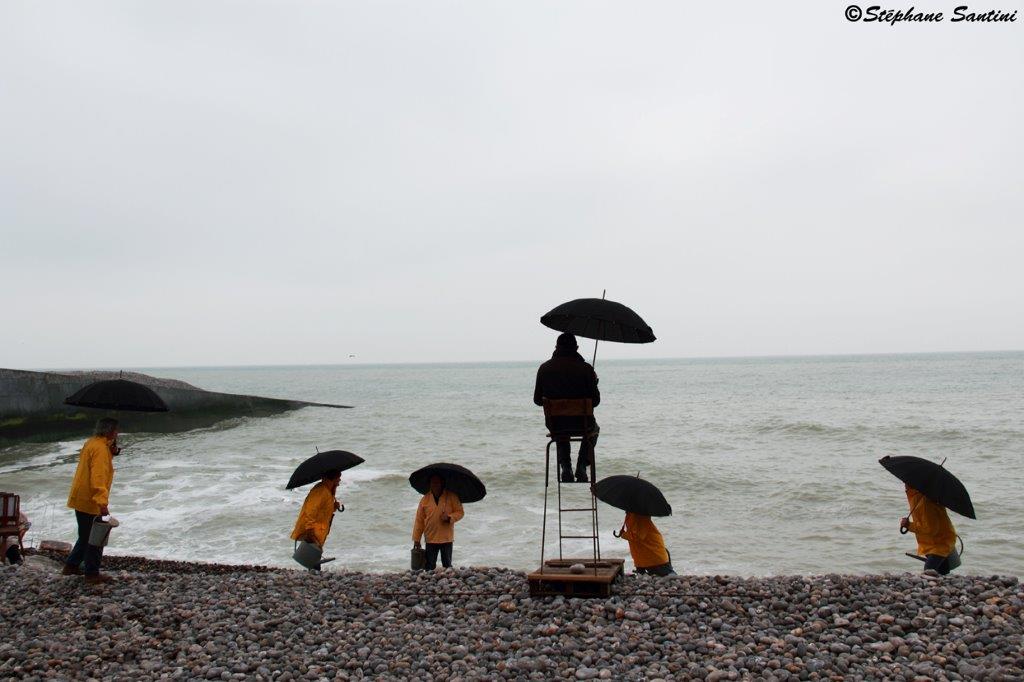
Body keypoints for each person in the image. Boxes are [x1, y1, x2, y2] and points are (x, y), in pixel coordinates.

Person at [534, 332, 601, 483]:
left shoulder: (544, 368)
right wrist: (594, 382)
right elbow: (595, 402)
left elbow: (537, 400)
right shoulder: (586, 369)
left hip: (556, 426)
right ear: (576, 348)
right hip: (583, 425)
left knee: (561, 428)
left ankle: (565, 467)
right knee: (594, 429)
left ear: (556, 347)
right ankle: (582, 466)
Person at [64, 417, 119, 583]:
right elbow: (98, 477)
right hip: (91, 500)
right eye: (116, 430)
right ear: (110, 432)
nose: (117, 433)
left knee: (85, 535)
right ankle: (92, 573)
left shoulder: (92, 443)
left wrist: (111, 451)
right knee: (96, 537)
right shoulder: (101, 449)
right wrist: (102, 503)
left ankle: (71, 566)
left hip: (80, 497)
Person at [901, 485, 958, 575]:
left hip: (939, 544)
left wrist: (909, 525)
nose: (905, 484)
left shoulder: (924, 501)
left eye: (906, 482)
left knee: (928, 572)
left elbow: (931, 529)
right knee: (942, 572)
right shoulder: (917, 496)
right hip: (932, 543)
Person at [412, 475, 464, 570]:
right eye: (433, 482)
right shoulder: (425, 499)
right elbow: (419, 521)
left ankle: (447, 583)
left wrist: (449, 518)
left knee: (447, 566)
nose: (435, 484)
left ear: (442, 483)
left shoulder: (451, 496)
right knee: (429, 567)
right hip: (430, 538)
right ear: (430, 484)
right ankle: (430, 583)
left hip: (446, 538)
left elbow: (460, 512)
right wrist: (416, 539)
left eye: (437, 482)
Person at [290, 470, 343, 553]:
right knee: (313, 555)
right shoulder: (321, 491)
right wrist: (310, 531)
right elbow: (310, 510)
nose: (340, 480)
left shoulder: (328, 490)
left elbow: (323, 511)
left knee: (313, 555)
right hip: (313, 530)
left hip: (319, 530)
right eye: (338, 478)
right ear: (333, 478)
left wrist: (334, 507)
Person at [616, 512, 676, 576]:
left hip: (654, 556)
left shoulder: (640, 515)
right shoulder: (631, 514)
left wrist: (624, 535)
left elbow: (638, 536)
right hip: (642, 558)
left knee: (670, 576)